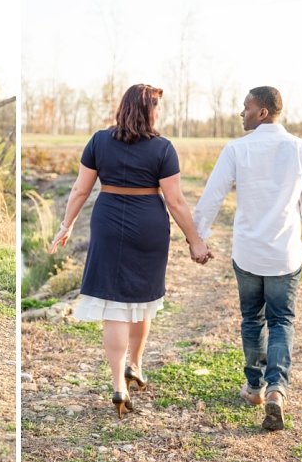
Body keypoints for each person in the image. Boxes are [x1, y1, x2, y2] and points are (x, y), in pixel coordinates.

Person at [49, 84, 212, 419]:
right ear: (149, 110)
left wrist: (66, 225)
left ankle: (119, 384)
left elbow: (81, 189)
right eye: (157, 107)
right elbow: (176, 201)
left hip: (108, 222)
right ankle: (135, 365)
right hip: (148, 225)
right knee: (142, 299)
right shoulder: (163, 148)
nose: (159, 113)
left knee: (114, 305)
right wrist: (195, 240)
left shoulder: (98, 141)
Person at [192, 86, 302, 431]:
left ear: (263, 112)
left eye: (246, 107)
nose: (242, 113)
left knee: (252, 319)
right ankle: (276, 391)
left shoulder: (237, 149)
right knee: (282, 321)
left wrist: (199, 235)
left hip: (249, 252)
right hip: (285, 253)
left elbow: (212, 196)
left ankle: (254, 388)